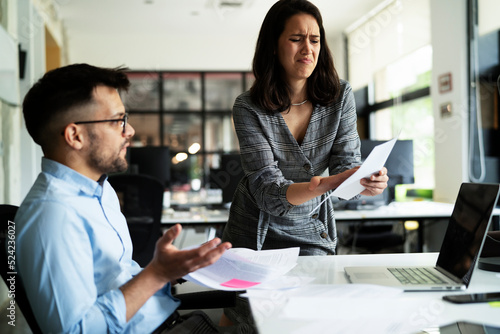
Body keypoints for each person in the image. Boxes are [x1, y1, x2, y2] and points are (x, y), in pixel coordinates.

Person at [15, 63, 251, 333]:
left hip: (169, 320)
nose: (130, 131)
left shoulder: (101, 190)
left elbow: (121, 276)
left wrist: (174, 268)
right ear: (75, 135)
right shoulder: (52, 216)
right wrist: (156, 274)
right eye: (117, 120)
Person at [222, 0, 389, 257]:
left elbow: (346, 165)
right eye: (296, 39)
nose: (308, 49)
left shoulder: (340, 96)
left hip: (312, 226)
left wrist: (365, 181)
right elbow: (267, 191)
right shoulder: (248, 107)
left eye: (315, 39)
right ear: (274, 46)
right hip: (254, 232)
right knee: (251, 298)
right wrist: (327, 184)